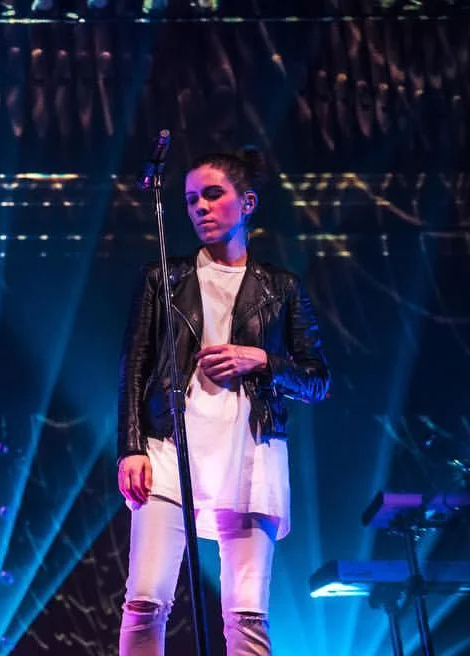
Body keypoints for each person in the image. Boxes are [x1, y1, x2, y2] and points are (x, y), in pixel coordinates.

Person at [116, 148, 330, 655]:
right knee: (145, 600)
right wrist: (131, 447)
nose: (200, 207)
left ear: (247, 202)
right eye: (192, 199)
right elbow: (135, 365)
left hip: (251, 455)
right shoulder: (163, 278)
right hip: (169, 452)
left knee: (246, 612)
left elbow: (318, 380)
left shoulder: (281, 287)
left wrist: (261, 359)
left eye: (213, 194)